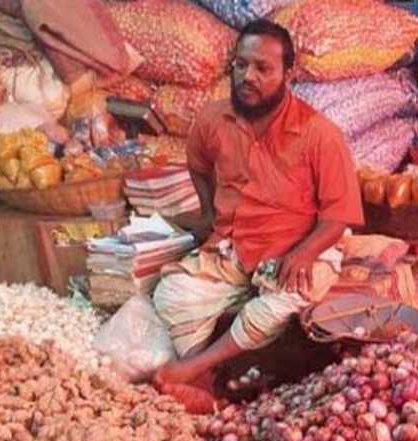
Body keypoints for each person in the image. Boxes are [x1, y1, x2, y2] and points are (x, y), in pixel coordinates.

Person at [151, 19, 363, 403]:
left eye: (263, 68)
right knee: (172, 295)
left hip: (296, 247)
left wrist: (305, 253)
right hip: (235, 246)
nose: (248, 76)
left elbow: (339, 215)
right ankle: (204, 388)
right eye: (241, 64)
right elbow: (198, 164)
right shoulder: (213, 119)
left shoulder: (320, 133)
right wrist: (208, 216)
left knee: (282, 303)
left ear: (288, 73)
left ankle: (195, 368)